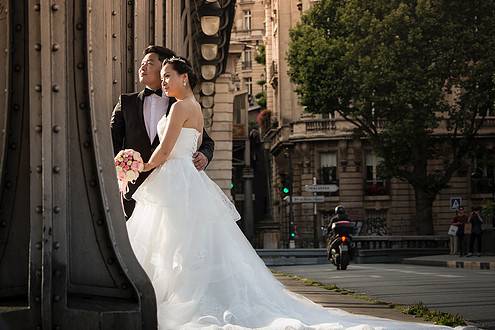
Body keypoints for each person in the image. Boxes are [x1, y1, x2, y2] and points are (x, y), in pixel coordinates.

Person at [126, 57, 453, 330]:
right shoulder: (193, 107)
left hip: (175, 177)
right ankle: (178, 295)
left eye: (168, 76)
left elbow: (165, 151)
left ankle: (168, 298)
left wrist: (134, 166)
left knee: (171, 242)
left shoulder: (181, 106)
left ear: (185, 77)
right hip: (187, 180)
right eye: (163, 77)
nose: (164, 81)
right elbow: (189, 146)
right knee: (184, 244)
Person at [110, 45, 214, 220]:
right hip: (135, 188)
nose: (142, 67)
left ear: (164, 67)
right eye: (141, 63)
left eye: (150, 63)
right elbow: (111, 141)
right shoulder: (125, 102)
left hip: (174, 187)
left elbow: (204, 140)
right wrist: (121, 171)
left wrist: (204, 155)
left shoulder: (180, 104)